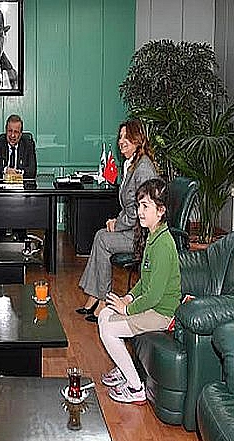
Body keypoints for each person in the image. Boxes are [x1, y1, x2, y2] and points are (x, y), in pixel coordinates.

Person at [98, 178, 181, 404]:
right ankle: (124, 369)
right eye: (139, 206)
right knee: (105, 315)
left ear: (161, 211)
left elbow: (154, 296)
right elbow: (145, 282)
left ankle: (135, 388)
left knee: (108, 329)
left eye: (146, 206)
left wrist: (128, 309)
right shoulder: (153, 237)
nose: (140, 212)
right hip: (152, 307)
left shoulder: (163, 245)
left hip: (162, 314)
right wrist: (128, 297)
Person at [77, 119, 158, 321]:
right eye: (120, 137)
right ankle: (95, 295)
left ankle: (103, 300)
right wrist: (117, 220)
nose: (121, 141)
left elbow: (142, 209)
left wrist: (118, 224)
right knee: (101, 235)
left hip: (141, 235)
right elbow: (130, 206)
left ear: (137, 140)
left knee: (103, 240)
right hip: (132, 227)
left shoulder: (143, 169)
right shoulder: (132, 164)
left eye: (126, 137)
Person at [0, 114, 37, 242]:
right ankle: (0, 236)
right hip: (2, 192)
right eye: (10, 131)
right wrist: (6, 170)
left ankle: (21, 236)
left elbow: (32, 171)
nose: (12, 135)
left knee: (21, 207)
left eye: (16, 132)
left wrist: (18, 173)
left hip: (21, 192)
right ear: (6, 131)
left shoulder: (28, 145)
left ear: (21, 134)